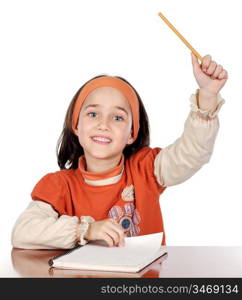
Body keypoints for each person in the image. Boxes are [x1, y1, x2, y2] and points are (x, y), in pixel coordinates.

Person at [11, 53, 228, 249]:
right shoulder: (58, 185)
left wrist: (207, 96)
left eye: (117, 117)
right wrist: (86, 230)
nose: (103, 124)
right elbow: (23, 232)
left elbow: (193, 152)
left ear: (132, 133)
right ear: (76, 125)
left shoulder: (147, 170)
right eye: (93, 114)